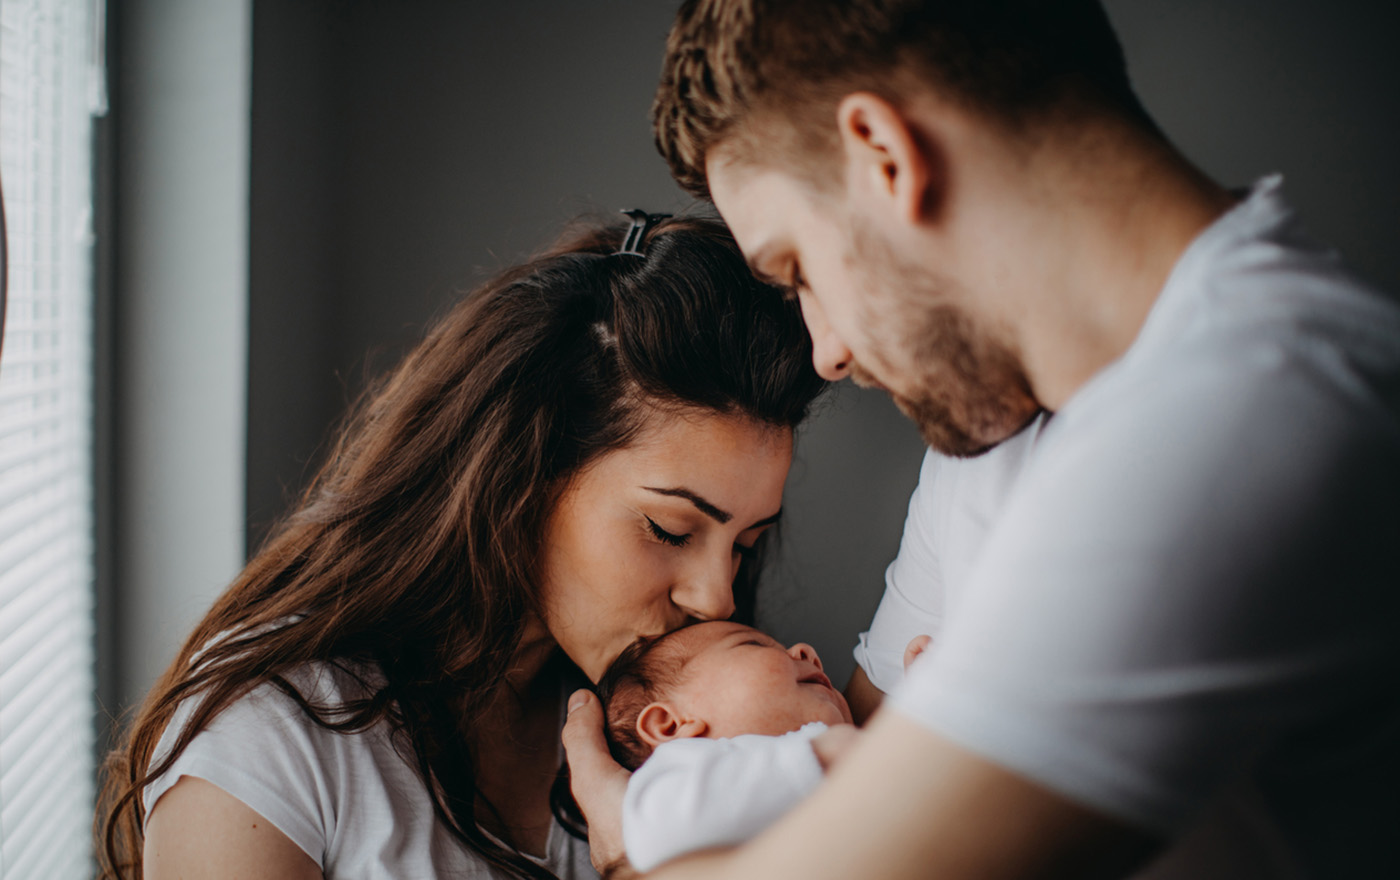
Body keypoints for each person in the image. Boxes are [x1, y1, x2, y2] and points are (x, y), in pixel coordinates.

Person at [560, 2, 1400, 878]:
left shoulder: (1238, 415)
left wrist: (629, 852)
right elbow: (852, 787)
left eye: (798, 269)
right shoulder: (994, 439)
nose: (827, 352)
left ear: (885, 157)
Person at [95, 213, 826, 880]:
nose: (716, 597)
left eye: (744, 542)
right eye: (669, 530)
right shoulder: (270, 737)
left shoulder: (691, 737)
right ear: (526, 473)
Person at [601, 621, 927, 872]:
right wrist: (820, 753)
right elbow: (656, 829)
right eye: (752, 643)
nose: (806, 651)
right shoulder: (672, 783)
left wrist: (922, 706)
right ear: (670, 725)